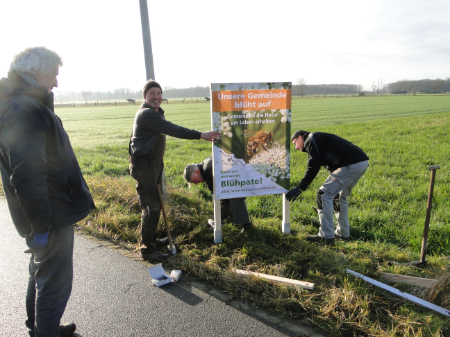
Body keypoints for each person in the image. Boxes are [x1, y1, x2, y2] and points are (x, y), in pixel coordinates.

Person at [0, 47, 95, 336]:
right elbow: (27, 174)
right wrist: (40, 225)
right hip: (50, 213)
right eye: (53, 75)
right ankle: (47, 333)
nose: (56, 82)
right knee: (55, 280)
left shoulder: (17, 103)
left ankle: (40, 327)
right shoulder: (24, 109)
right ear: (36, 72)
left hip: (44, 212)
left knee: (40, 271)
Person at [129, 80, 220, 261]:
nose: (156, 97)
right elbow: (172, 129)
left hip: (152, 166)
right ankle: (147, 249)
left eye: (159, 93)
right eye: (152, 93)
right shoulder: (146, 114)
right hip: (144, 168)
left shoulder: (154, 113)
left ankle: (151, 239)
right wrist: (201, 135)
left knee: (154, 204)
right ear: (145, 97)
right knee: (150, 206)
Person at [286, 130, 369, 245]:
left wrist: (300, 188)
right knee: (339, 197)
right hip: (361, 162)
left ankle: (326, 236)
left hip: (351, 164)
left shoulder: (311, 139)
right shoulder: (316, 139)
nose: (295, 147)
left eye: (295, 143)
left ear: (300, 137)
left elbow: (313, 166)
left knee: (323, 194)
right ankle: (343, 233)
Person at [183, 156, 252, 232]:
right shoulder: (205, 167)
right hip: (234, 176)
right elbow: (216, 193)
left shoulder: (208, 168)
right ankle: (228, 220)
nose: (196, 184)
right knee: (226, 197)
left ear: (197, 172)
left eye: (194, 181)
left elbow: (219, 194)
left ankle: (247, 226)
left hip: (240, 175)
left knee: (235, 197)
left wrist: (218, 216)